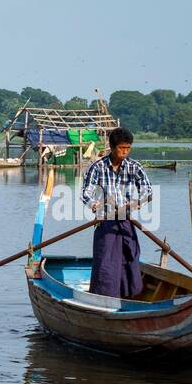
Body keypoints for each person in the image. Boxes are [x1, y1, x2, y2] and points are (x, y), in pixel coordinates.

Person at [81, 127, 153, 298]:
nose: (124, 152)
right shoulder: (98, 167)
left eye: (128, 148)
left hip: (126, 220)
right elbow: (86, 192)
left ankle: (130, 296)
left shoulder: (134, 167)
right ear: (112, 147)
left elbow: (147, 191)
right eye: (121, 148)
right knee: (105, 262)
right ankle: (103, 297)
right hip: (105, 222)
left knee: (130, 257)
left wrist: (137, 203)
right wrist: (94, 204)